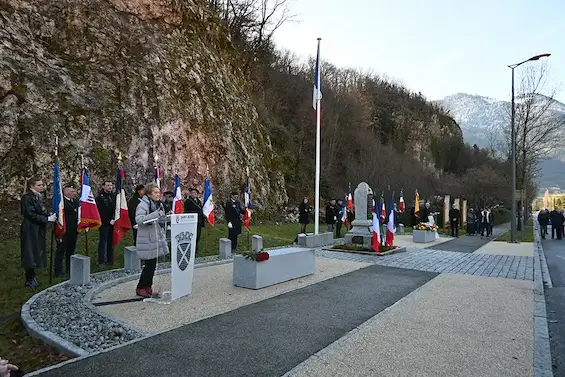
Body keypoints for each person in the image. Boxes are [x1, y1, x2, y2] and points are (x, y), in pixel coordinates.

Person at [21, 177, 57, 288]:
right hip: (30, 228)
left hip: (38, 228)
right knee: (30, 252)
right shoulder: (27, 197)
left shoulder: (37, 197)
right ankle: (29, 279)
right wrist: (46, 219)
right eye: (39, 185)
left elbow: (40, 210)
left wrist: (48, 215)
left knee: (36, 250)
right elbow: (30, 214)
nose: (42, 187)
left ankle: (32, 276)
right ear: (32, 186)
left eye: (42, 185)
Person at [134, 183, 168, 298]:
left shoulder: (157, 204)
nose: (158, 195)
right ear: (149, 194)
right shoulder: (143, 204)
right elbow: (139, 219)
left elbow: (159, 219)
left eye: (159, 192)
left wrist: (166, 216)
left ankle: (148, 285)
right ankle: (141, 287)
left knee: (152, 264)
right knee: (148, 265)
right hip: (147, 238)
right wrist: (155, 215)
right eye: (155, 193)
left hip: (155, 237)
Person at [54, 184, 79, 277]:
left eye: (74, 191)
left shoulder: (75, 201)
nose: (74, 193)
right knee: (61, 251)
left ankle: (69, 268)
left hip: (73, 231)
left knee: (71, 251)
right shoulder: (61, 203)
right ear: (66, 192)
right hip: (64, 231)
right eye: (72, 192)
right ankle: (58, 271)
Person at [96, 180, 115, 265]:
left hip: (113, 222)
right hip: (104, 223)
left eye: (111, 185)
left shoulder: (113, 196)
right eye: (108, 185)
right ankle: (101, 260)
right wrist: (108, 220)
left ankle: (110, 259)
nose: (110, 187)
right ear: (103, 186)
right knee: (103, 241)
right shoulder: (100, 197)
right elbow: (100, 211)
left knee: (111, 241)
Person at [184, 188, 205, 255]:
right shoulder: (188, 201)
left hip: (199, 221)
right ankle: (191, 250)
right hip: (191, 221)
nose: (194, 194)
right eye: (192, 193)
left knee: (198, 236)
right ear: (190, 194)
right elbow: (186, 211)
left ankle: (196, 250)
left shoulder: (198, 201)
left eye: (195, 193)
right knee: (192, 237)